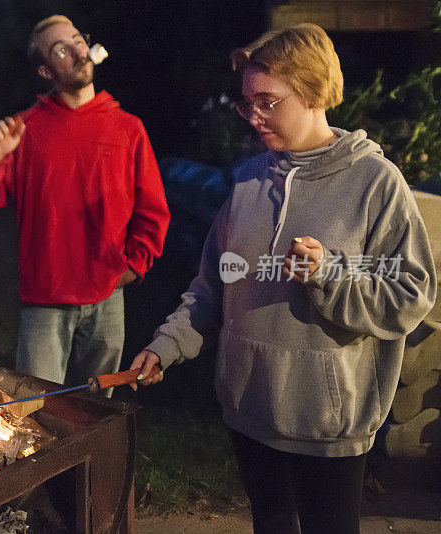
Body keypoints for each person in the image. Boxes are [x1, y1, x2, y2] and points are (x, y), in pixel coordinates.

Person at [129, 23, 436, 533]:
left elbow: (411, 293)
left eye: (267, 102)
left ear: (315, 93)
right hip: (249, 411)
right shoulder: (249, 180)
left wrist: (331, 277)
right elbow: (212, 286)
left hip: (328, 424)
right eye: (247, 103)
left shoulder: (375, 184)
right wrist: (167, 345)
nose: (253, 117)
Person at [0, 15, 169, 394]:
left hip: (108, 295)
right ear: (46, 70)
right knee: (35, 409)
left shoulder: (127, 128)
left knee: (96, 412)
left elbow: (152, 208)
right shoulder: (25, 129)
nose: (77, 51)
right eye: (61, 48)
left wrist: (133, 266)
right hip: (45, 298)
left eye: (78, 40)